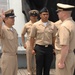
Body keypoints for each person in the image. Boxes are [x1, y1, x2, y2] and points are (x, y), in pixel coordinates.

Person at [30, 7, 57, 75]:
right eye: (44, 14)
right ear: (40, 15)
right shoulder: (35, 25)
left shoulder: (52, 25)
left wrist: (54, 47)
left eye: (47, 14)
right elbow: (32, 37)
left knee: (47, 67)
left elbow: (54, 37)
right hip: (39, 48)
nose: (46, 16)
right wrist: (32, 48)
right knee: (39, 67)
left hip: (49, 48)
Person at [55, 3, 75, 75]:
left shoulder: (64, 26)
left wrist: (61, 62)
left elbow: (65, 46)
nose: (57, 14)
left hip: (64, 56)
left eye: (58, 11)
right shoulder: (72, 24)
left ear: (63, 13)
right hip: (71, 55)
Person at [0, 9, 18, 75]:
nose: (13, 19)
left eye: (13, 18)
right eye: (11, 18)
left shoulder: (14, 30)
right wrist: (1, 20)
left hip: (14, 57)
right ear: (6, 19)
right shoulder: (3, 30)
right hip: (7, 57)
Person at [21, 10, 39, 75]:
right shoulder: (27, 25)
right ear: (30, 17)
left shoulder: (39, 24)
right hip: (29, 43)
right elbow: (22, 34)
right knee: (29, 58)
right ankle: (29, 71)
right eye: (32, 16)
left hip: (37, 43)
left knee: (36, 59)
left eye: (35, 16)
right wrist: (24, 44)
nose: (34, 17)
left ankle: (35, 71)